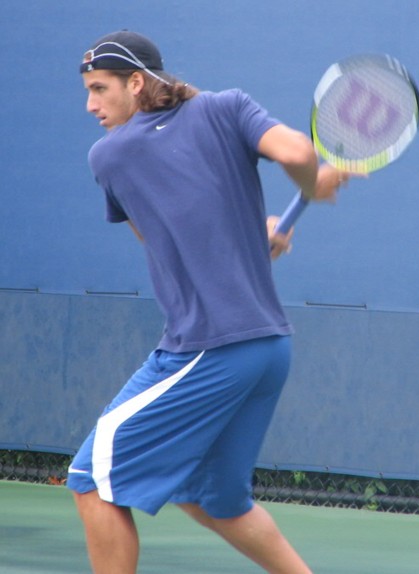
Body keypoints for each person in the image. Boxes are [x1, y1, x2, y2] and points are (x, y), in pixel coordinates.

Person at [67, 30, 351, 574]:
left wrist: (306, 180)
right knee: (213, 499)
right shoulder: (229, 107)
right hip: (267, 349)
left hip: (208, 349)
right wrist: (261, 230)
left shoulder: (109, 156)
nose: (90, 105)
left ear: (135, 82)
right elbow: (292, 155)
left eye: (100, 89)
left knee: (91, 482)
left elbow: (158, 237)